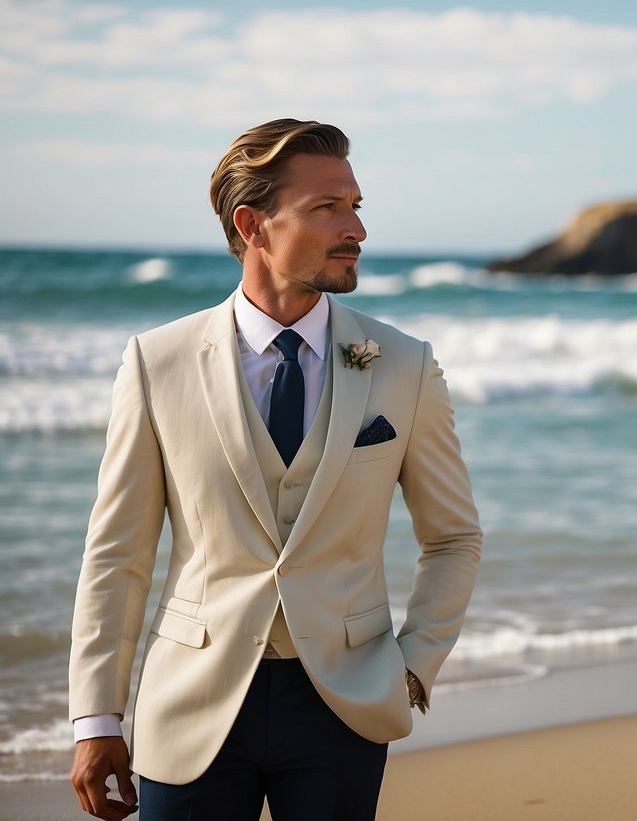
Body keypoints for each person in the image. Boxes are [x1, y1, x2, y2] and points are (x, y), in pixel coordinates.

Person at [68, 119, 482, 820]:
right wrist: (96, 718)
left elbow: (452, 537)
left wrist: (412, 665)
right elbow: (118, 555)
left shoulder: (404, 365)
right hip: (191, 702)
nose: (356, 227)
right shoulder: (156, 362)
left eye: (355, 205)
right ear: (252, 224)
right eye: (328, 207)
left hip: (344, 705)